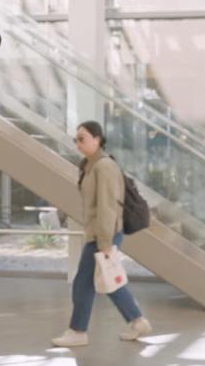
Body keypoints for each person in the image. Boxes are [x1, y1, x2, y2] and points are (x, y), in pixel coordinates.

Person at [51, 121, 151, 347]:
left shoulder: (104, 166)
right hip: (99, 233)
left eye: (82, 138)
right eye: (76, 139)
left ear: (97, 139)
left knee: (83, 284)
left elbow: (107, 206)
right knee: (109, 280)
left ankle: (78, 331)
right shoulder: (89, 165)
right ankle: (137, 320)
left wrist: (104, 242)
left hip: (103, 234)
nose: (77, 143)